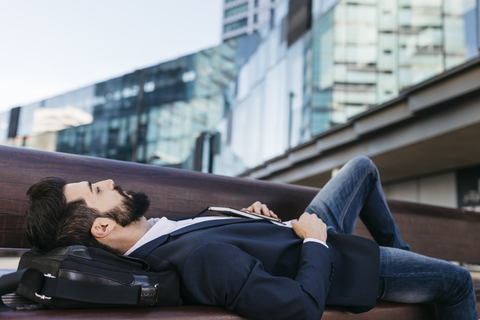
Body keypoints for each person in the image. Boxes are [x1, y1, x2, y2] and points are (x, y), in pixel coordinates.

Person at [24, 156, 478, 320]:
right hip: (336, 261)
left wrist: (248, 220)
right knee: (458, 283)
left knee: (361, 168)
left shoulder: (163, 233)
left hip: (290, 232)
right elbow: (300, 308)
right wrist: (316, 242)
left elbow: (216, 236)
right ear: (102, 228)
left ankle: (401, 249)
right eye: (97, 192)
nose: (107, 181)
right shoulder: (197, 260)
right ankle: (398, 260)